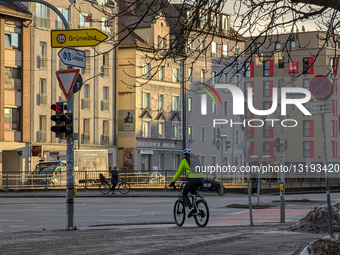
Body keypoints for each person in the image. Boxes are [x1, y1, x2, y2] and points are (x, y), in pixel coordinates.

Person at [169, 149, 204, 218]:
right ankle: (196, 209)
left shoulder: (185, 161)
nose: (182, 156)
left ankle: (191, 209)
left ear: (185, 155)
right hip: (201, 179)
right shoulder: (196, 159)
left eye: (183, 155)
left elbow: (178, 172)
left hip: (193, 180)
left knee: (184, 194)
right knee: (193, 192)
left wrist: (173, 182)